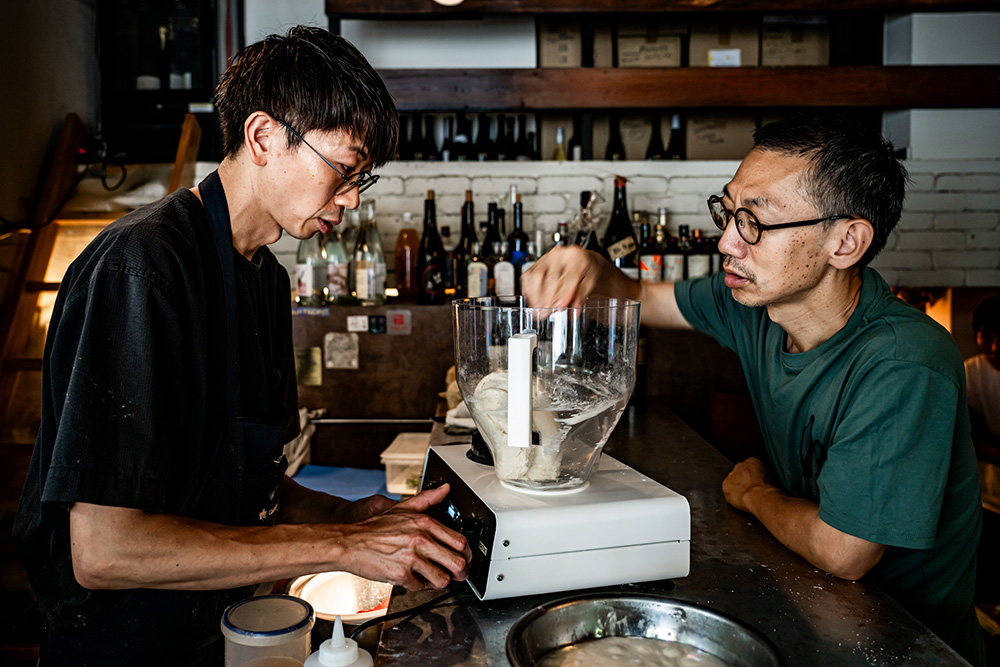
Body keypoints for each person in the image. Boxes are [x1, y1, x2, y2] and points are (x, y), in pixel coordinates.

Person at [13, 27, 471, 665]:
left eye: (361, 181)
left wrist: (352, 519)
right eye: (341, 170)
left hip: (220, 632)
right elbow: (106, 550)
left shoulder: (264, 276)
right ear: (262, 137)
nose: (349, 201)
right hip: (123, 647)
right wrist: (338, 550)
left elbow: (247, 487)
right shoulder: (144, 269)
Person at [521, 113, 986, 666]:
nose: (727, 242)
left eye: (755, 222)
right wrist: (591, 268)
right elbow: (642, 293)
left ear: (845, 241)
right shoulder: (757, 305)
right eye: (728, 212)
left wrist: (752, 494)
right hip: (818, 614)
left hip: (906, 645)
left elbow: (844, 553)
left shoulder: (904, 362)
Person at [966, 295, 1000, 513]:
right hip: (989, 495)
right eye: (986, 338)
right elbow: (965, 435)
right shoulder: (970, 372)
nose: (996, 348)